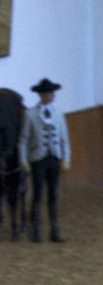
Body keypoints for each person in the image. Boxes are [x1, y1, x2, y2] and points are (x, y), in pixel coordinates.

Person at [20, 77, 69, 243]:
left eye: (52, 92)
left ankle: (54, 230)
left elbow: (64, 138)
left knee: (53, 194)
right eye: (49, 92)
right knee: (38, 194)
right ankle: (36, 231)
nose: (52, 95)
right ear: (42, 95)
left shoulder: (58, 114)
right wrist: (24, 160)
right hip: (38, 158)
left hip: (54, 157)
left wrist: (66, 158)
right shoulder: (30, 114)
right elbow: (24, 139)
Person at [0, 87, 25, 241]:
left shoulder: (12, 103)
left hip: (11, 151)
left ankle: (16, 221)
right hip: (9, 150)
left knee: (15, 187)